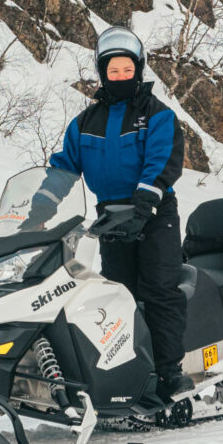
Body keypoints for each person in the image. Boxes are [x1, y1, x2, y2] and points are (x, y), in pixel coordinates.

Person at [50, 26, 192, 402]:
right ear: (102, 73)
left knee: (159, 290)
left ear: (138, 70)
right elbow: (64, 168)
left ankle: (168, 374)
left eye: (126, 70)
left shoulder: (158, 116)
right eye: (113, 71)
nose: (120, 76)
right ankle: (128, 373)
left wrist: (144, 203)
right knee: (118, 297)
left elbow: (162, 163)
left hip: (155, 213)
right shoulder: (84, 123)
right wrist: (38, 206)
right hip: (111, 219)